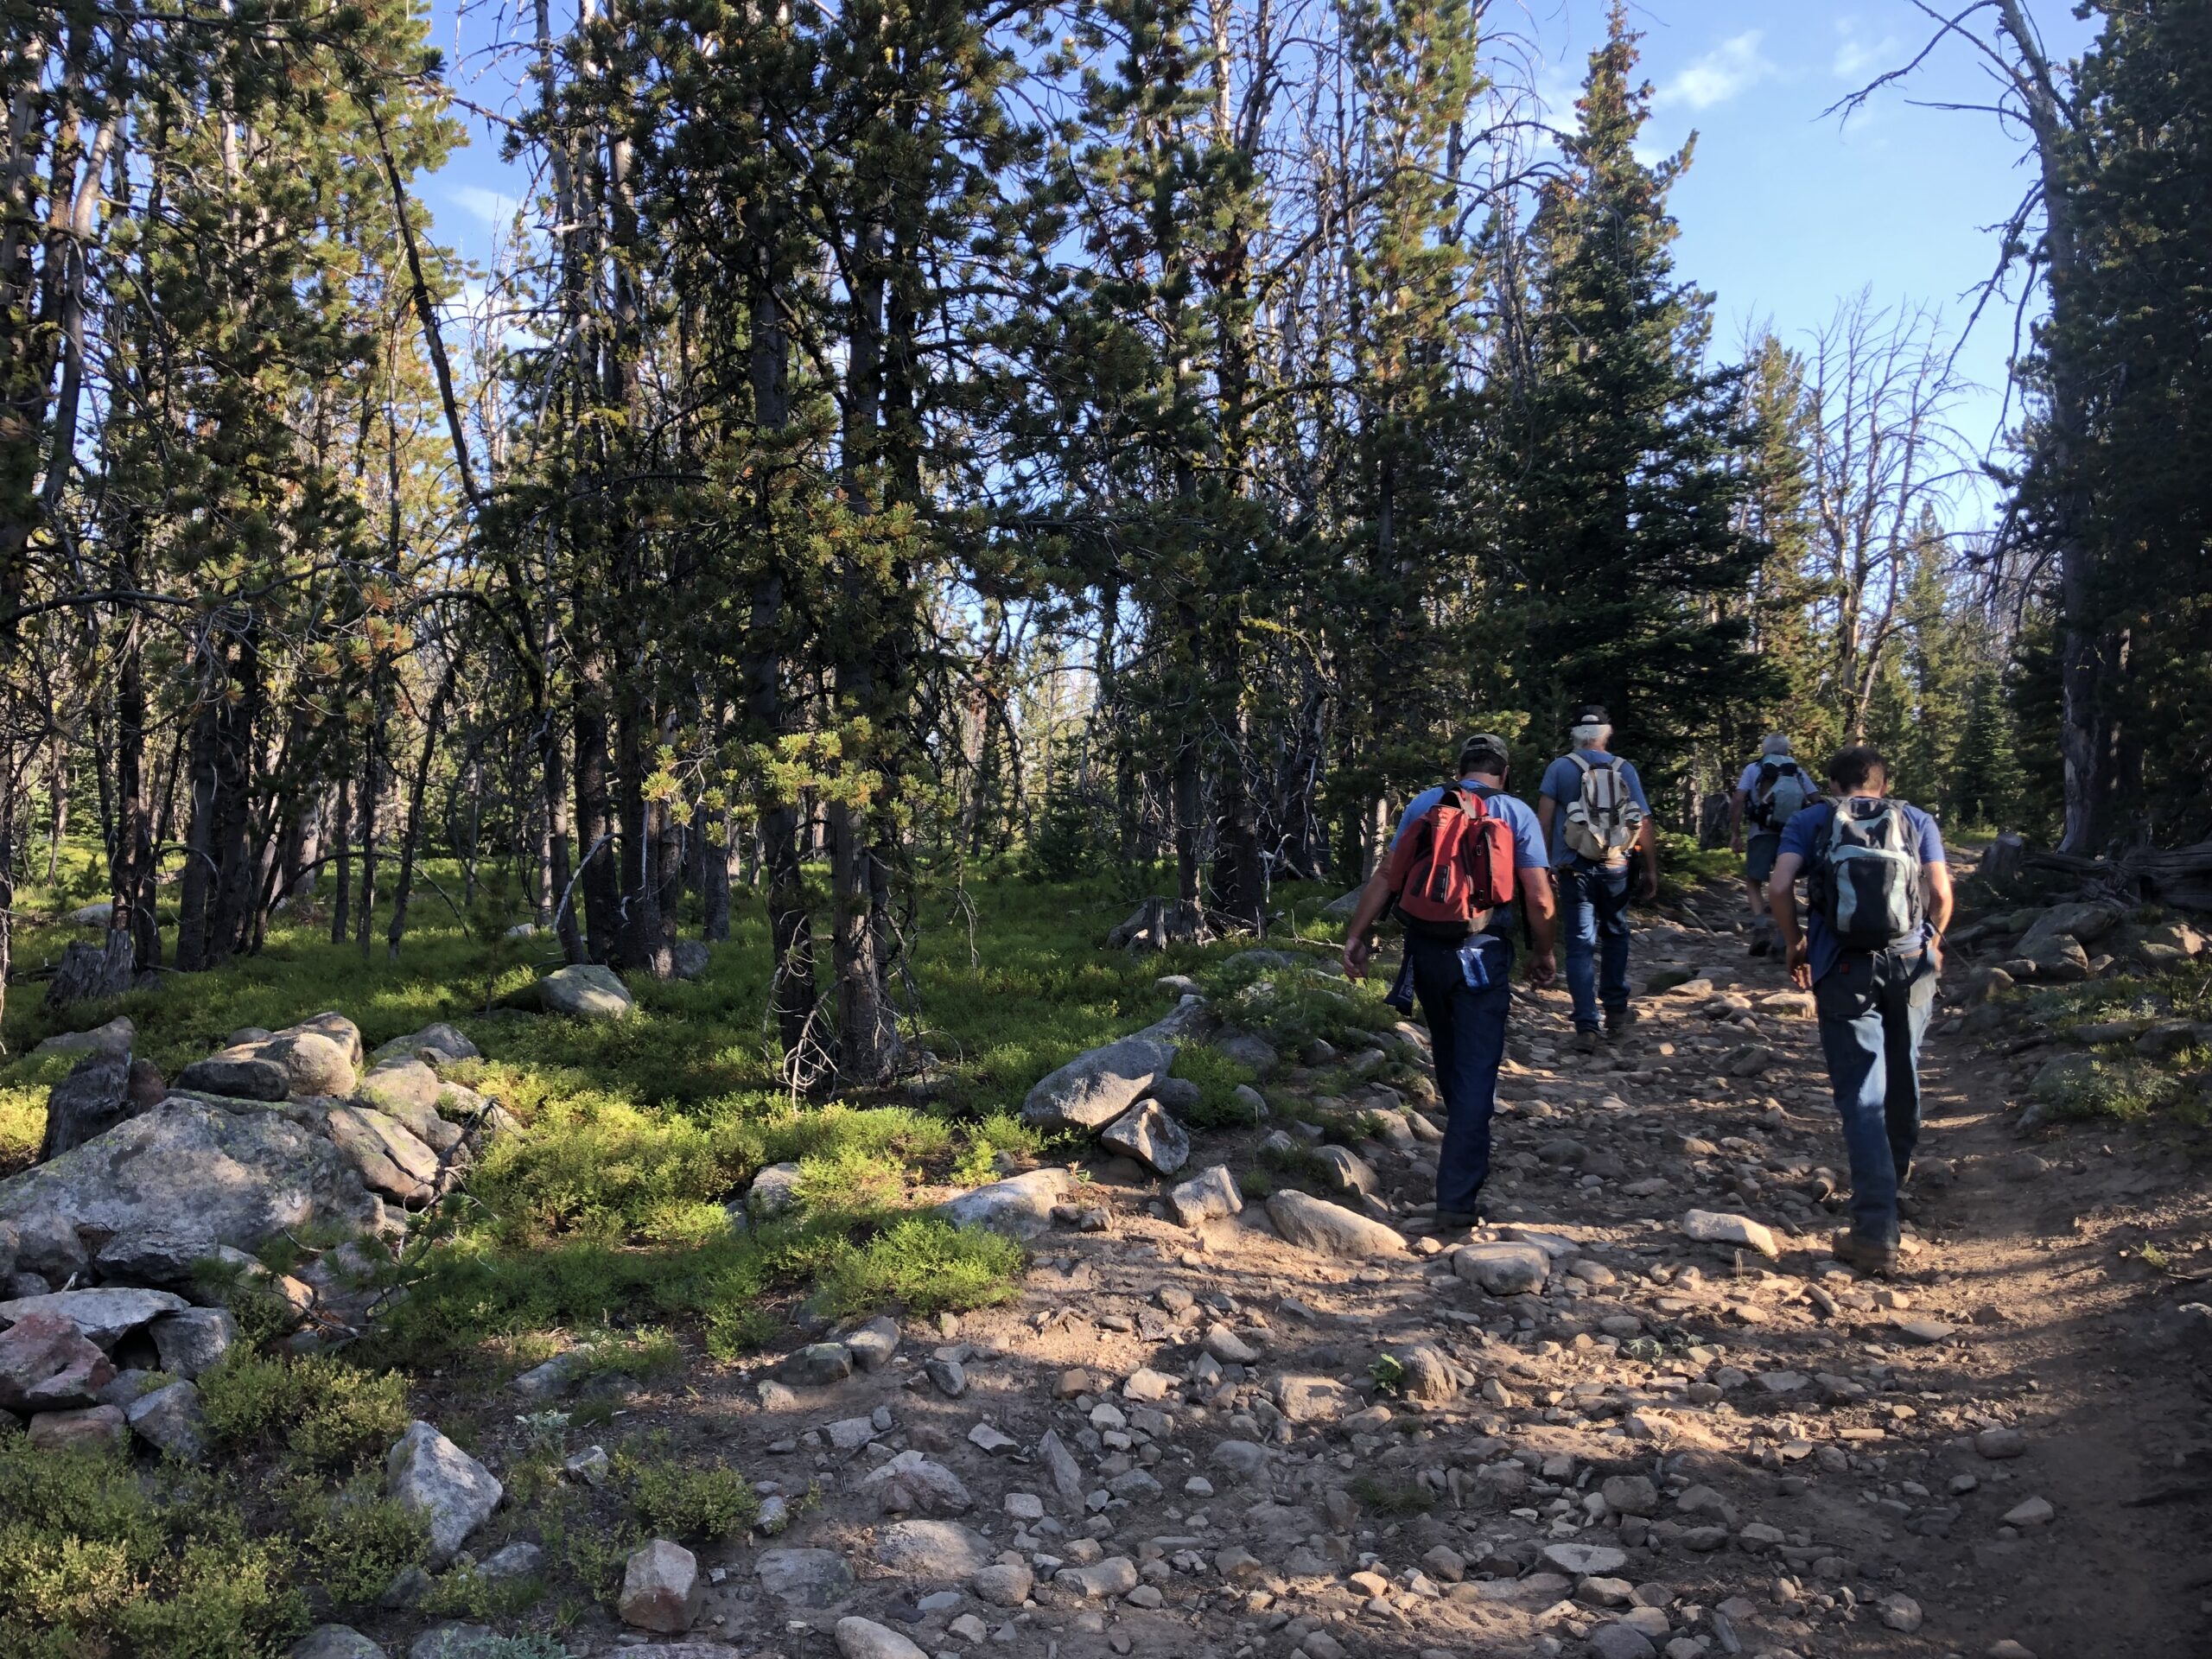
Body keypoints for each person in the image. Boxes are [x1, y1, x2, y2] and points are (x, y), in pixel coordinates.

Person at [1341, 734, 1557, 1231]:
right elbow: (1541, 900)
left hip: (1427, 955)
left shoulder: (1425, 802)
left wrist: (1357, 934)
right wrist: (1543, 951)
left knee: (1450, 1054)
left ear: (1461, 768)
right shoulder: (1515, 812)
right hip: (1483, 954)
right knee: (1477, 1071)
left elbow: (1387, 876)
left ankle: (1460, 1160)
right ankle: (1457, 1200)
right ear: (1504, 772)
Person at [1768, 743, 1953, 1276]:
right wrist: (1934, 941)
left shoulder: (1812, 819)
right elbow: (1939, 890)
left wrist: (1794, 941)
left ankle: (1874, 1226)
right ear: (1882, 782)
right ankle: (1893, 1181)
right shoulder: (1916, 819)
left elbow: (1780, 885)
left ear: (1833, 783)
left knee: (1862, 1090)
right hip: (1912, 962)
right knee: (1904, 1071)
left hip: (1842, 967)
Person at [1535, 704, 1659, 1050]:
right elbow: (1643, 822)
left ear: (1575, 734)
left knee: (1579, 943)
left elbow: (1543, 820)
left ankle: (1587, 1024)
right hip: (1616, 864)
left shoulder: (1560, 768)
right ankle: (1616, 1010)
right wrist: (1650, 869)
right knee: (1616, 933)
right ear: (1607, 734)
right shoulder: (1624, 768)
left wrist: (1543, 866)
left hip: (1574, 867)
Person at [1730, 734, 1815, 957]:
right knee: (1785, 882)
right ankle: (1782, 936)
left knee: (1753, 881)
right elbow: (1815, 798)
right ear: (1787, 750)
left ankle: (1760, 927)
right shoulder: (1796, 770)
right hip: (1791, 834)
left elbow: (1739, 798)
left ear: (1764, 749)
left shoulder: (1753, 769)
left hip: (1761, 831)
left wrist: (1735, 833)